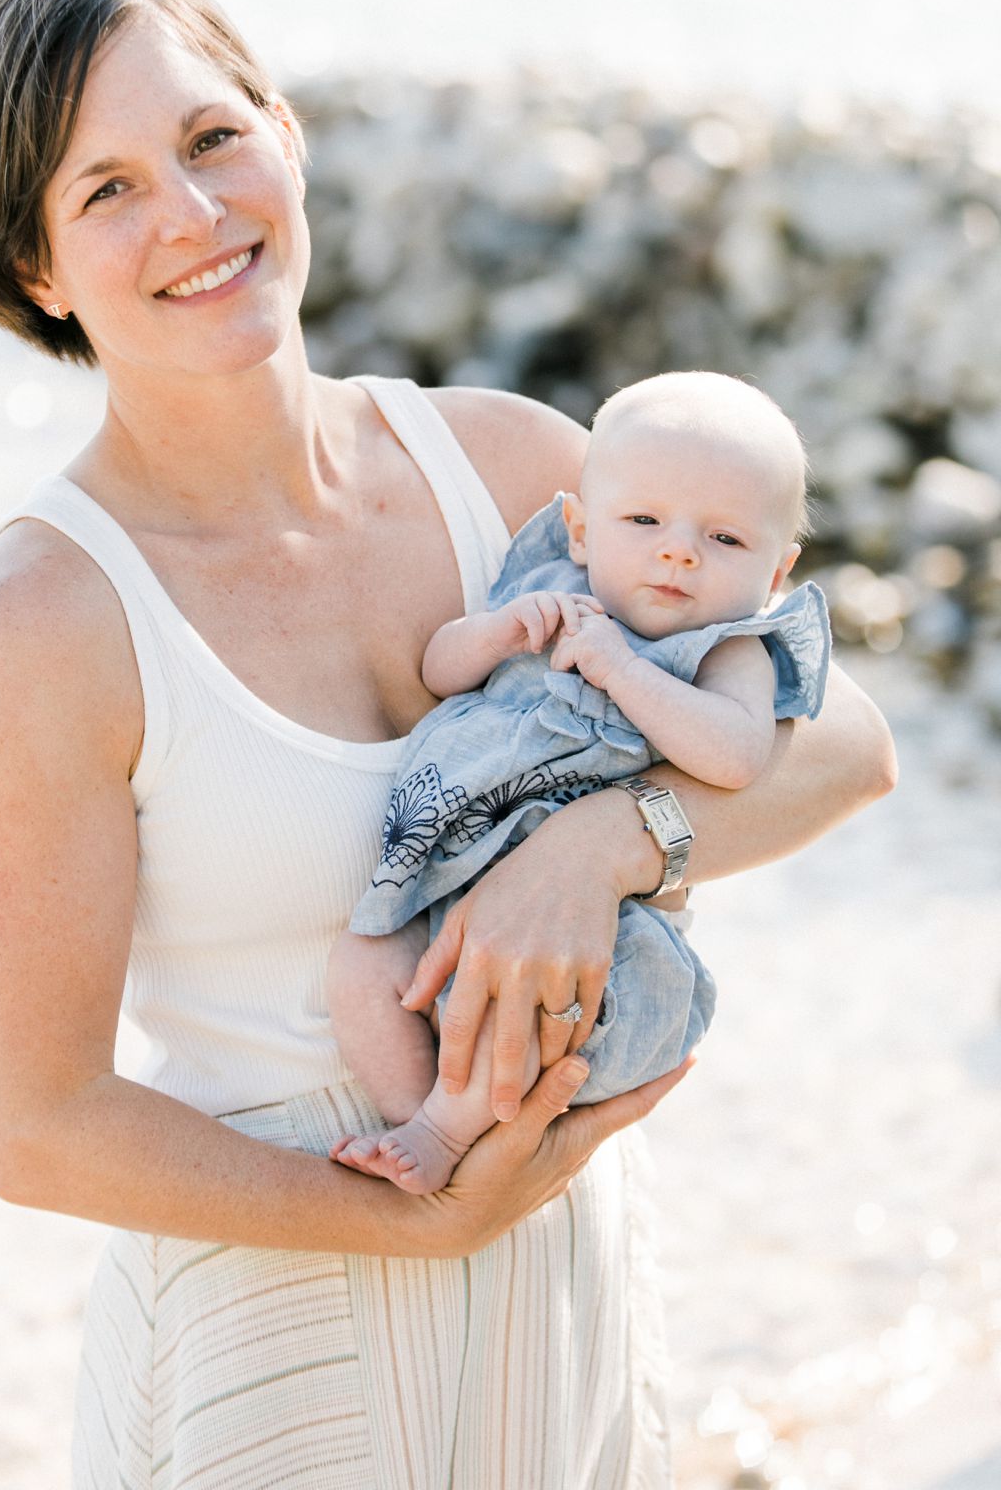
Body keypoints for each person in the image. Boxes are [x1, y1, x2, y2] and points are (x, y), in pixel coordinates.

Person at [0, 0, 897, 1490]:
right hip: (282, 1322)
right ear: (36, 270)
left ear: (287, 134)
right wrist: (415, 1214)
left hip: (566, 1276)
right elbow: (37, 1125)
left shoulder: (511, 470)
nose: (191, 214)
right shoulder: (49, 618)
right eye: (102, 192)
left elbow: (844, 743)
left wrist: (598, 847)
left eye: (209, 138)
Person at [328, 372, 830, 1194]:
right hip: (446, 870)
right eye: (644, 522)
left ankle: (443, 1136)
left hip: (597, 931)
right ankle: (417, 1111)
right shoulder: (547, 588)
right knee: (362, 965)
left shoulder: (729, 650)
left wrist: (625, 672)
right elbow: (438, 670)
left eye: (726, 541)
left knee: (524, 1009)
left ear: (778, 571)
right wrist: (495, 634)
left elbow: (737, 756)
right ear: (580, 529)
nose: (679, 552)